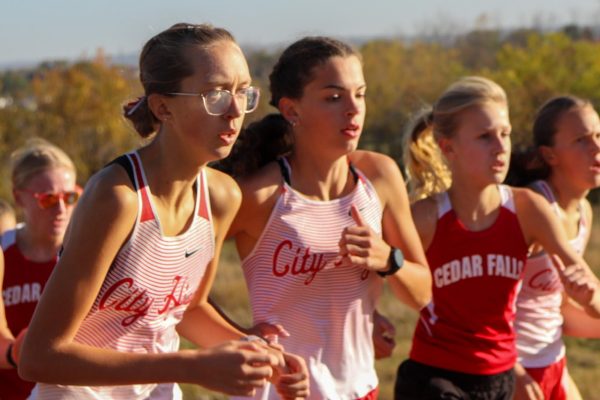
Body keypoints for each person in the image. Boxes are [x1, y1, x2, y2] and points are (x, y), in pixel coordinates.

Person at [18, 23, 308, 399]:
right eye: (215, 94)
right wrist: (189, 366)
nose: (235, 110)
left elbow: (187, 310)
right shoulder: (118, 197)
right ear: (162, 106)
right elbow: (39, 357)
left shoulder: (222, 196)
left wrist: (266, 359)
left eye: (242, 91)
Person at [224, 36, 432, 399]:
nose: (353, 109)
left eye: (360, 94)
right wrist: (241, 338)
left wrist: (389, 260)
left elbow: (424, 294)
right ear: (291, 110)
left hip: (360, 389)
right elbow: (184, 294)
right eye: (334, 98)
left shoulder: (379, 177)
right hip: (280, 392)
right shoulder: (257, 195)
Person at [394, 76, 600, 399]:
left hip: (499, 378)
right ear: (448, 147)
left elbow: (585, 282)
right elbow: (371, 277)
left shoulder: (528, 208)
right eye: (485, 136)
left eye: (505, 134)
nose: (501, 146)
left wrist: (590, 297)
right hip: (437, 376)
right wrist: (376, 315)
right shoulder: (425, 217)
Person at [508, 96, 600, 400]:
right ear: (550, 155)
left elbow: (556, 306)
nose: (597, 148)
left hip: (552, 362)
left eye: (598, 135)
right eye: (581, 140)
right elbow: (483, 305)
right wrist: (512, 369)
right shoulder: (533, 207)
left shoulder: (584, 212)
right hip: (514, 370)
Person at [0, 139, 79, 400]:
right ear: (18, 197)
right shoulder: (4, 252)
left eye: (69, 197)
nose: (61, 209)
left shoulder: (86, 256)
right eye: (47, 199)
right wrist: (15, 353)